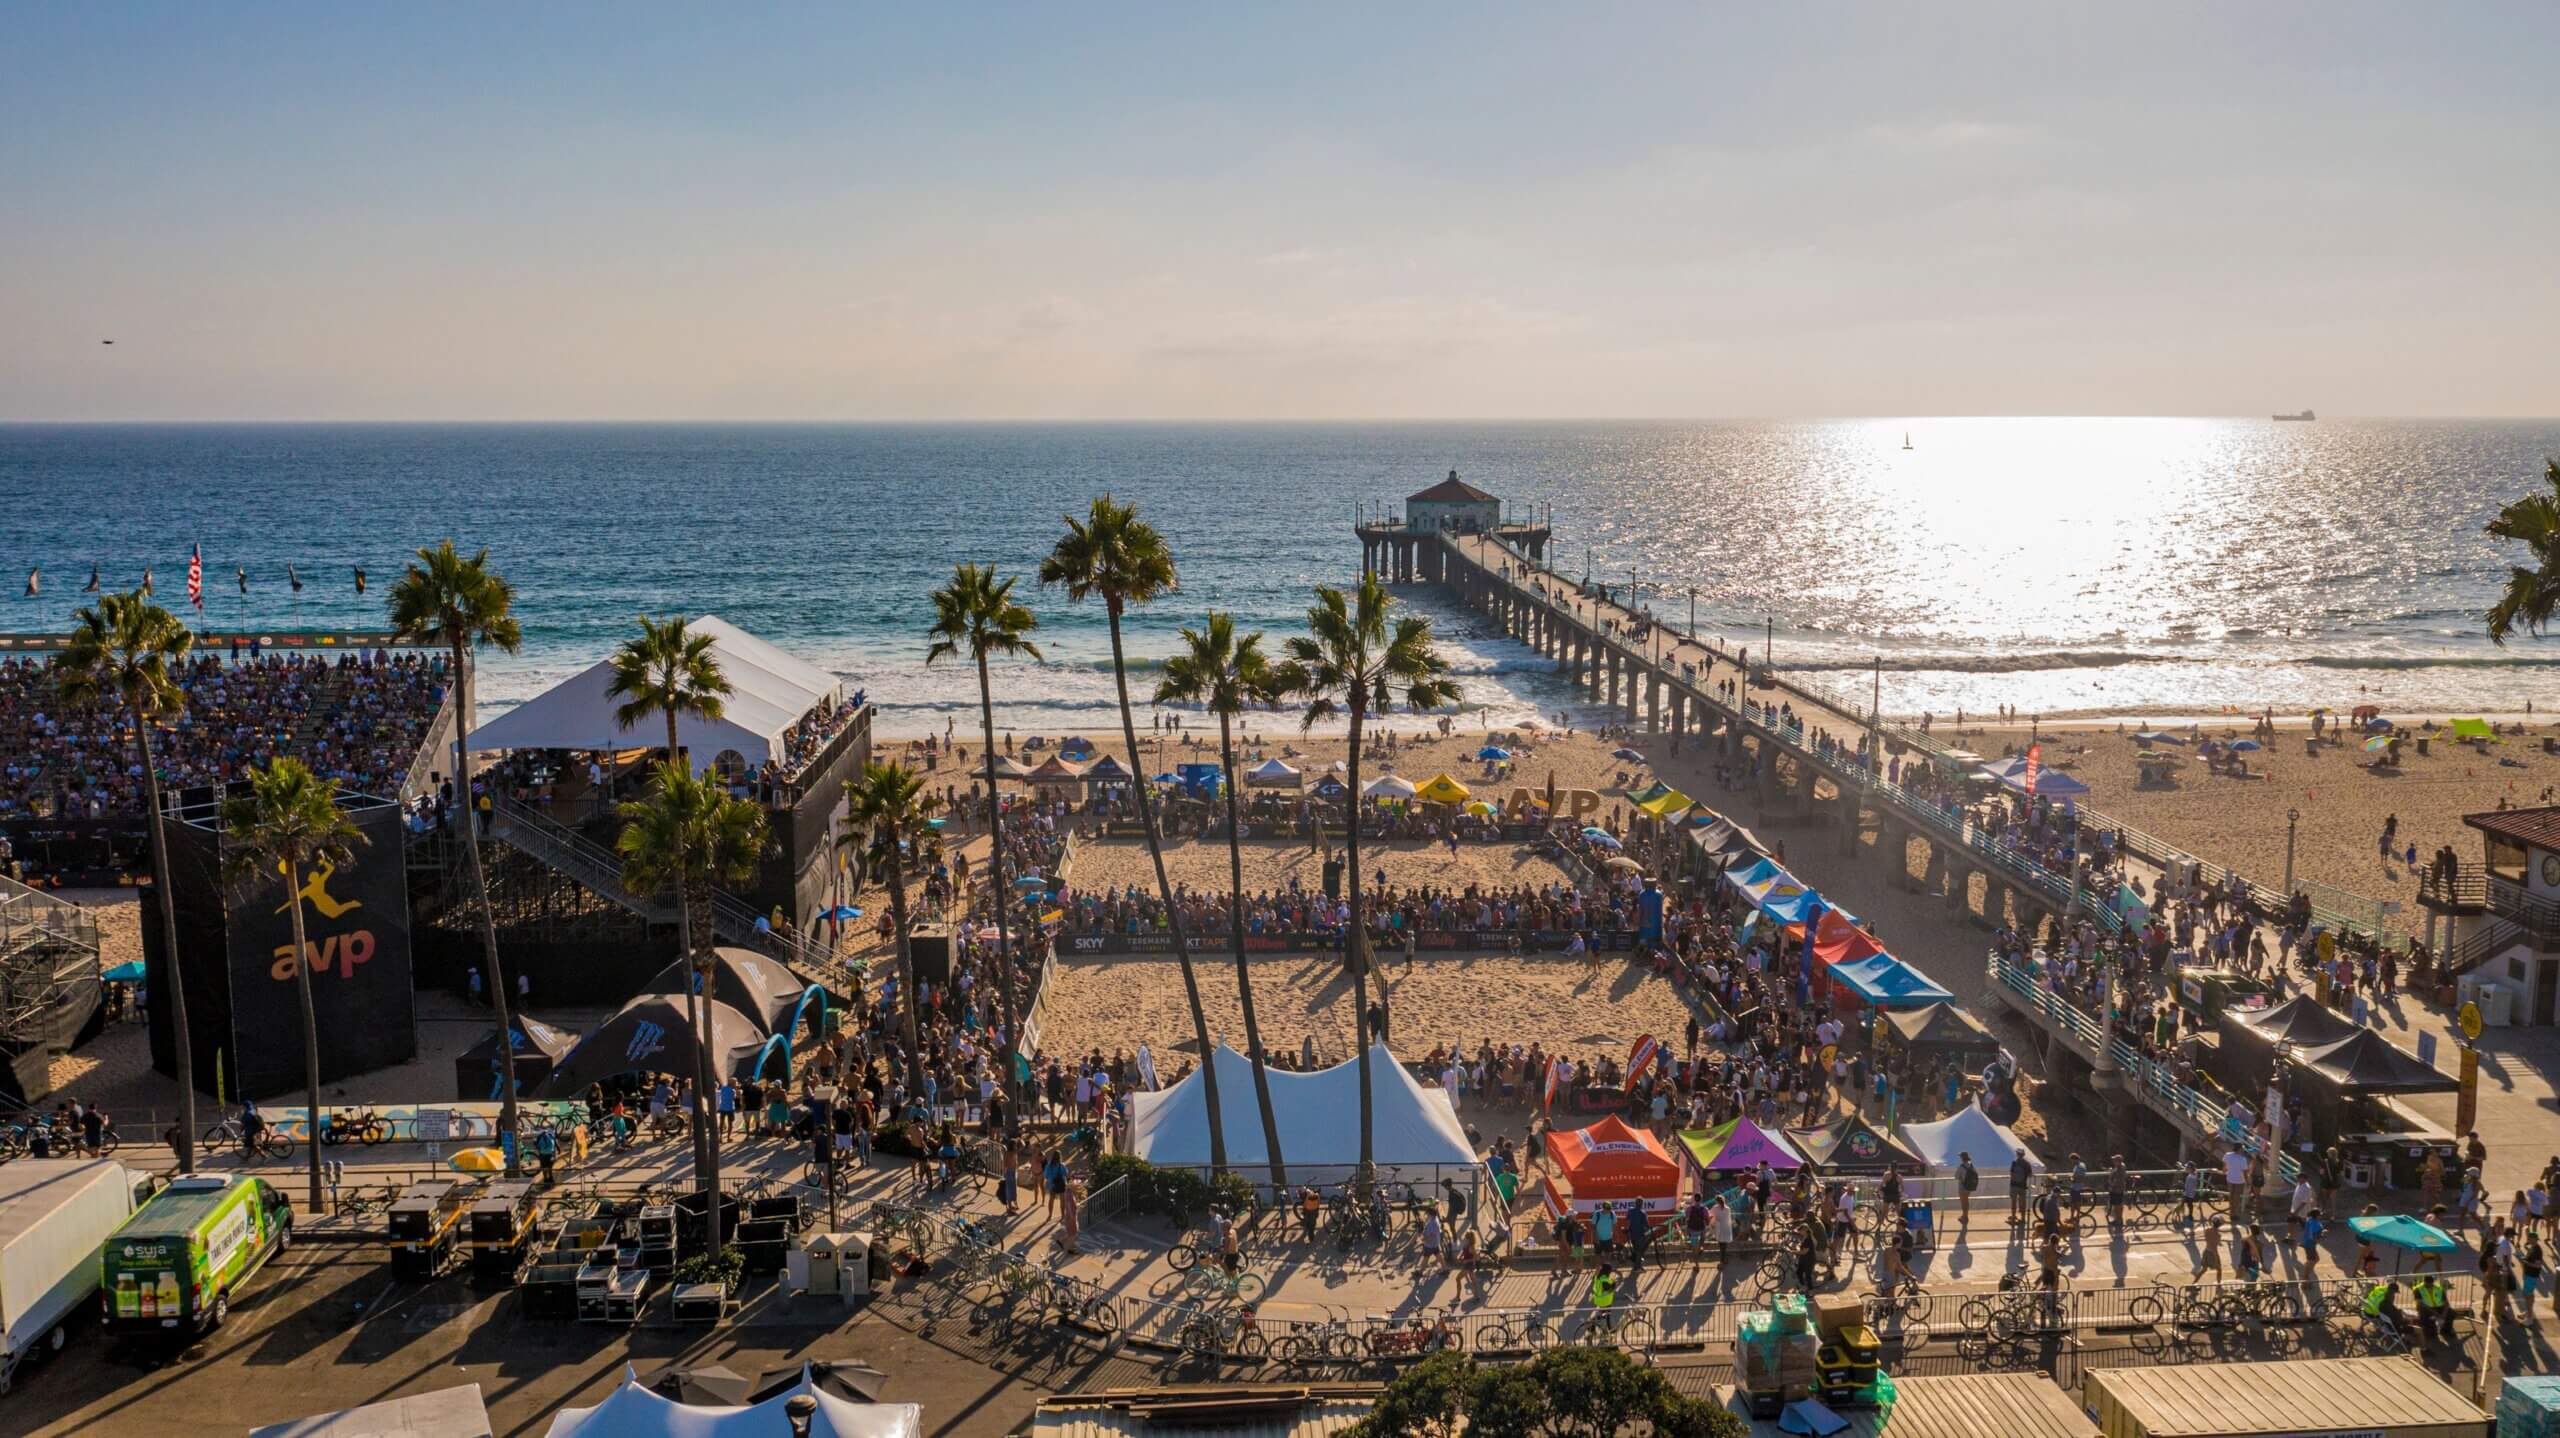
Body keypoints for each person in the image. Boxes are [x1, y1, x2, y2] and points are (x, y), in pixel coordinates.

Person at [2412, 1271, 2452, 1343]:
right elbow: (2421, 1304)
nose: (2430, 1286)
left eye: (2431, 1284)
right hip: (2425, 1308)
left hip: (2438, 1307)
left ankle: (2446, 1331)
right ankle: (2431, 1332)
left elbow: (2446, 1303)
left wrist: (2443, 1315)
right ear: (2424, 1282)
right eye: (2428, 1284)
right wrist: (2436, 1314)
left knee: (2451, 1313)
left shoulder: (2438, 1288)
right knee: (2426, 1317)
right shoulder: (2417, 1289)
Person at [2364, 1278, 2408, 1345]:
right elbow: (2386, 1310)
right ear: (2391, 1291)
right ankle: (2397, 1337)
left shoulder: (2380, 1288)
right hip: (2373, 1314)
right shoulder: (2385, 1299)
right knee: (2393, 1319)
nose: (2394, 1294)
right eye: (2394, 1292)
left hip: (2366, 1310)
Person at [1956, 1152, 1978, 1230]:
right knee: (1966, 1201)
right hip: (1969, 1187)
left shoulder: (1961, 1167)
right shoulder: (1971, 1165)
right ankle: (1965, 1215)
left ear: (1962, 1158)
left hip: (1963, 1187)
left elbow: (1956, 1176)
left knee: (1963, 1202)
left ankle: (1964, 1217)